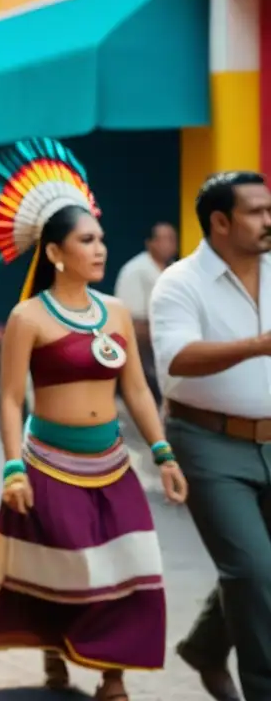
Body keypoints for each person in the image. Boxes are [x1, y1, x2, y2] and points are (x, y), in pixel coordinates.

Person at [0, 138, 189, 700]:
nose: (101, 248)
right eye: (88, 240)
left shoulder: (117, 314)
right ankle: (57, 649)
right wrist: (13, 469)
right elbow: (11, 399)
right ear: (56, 252)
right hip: (49, 466)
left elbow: (135, 389)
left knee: (129, 567)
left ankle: (113, 676)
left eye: (101, 238)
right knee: (66, 569)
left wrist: (164, 453)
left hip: (111, 464)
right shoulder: (26, 318)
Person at [150, 170, 271, 701]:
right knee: (253, 569)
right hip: (207, 443)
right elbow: (175, 360)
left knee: (256, 572)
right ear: (220, 222)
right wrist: (259, 344)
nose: (269, 221)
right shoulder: (179, 281)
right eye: (257, 212)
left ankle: (203, 646)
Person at [114, 222, 177, 404]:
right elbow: (133, 320)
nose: (169, 244)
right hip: (144, 350)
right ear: (150, 243)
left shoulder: (174, 269)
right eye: (163, 239)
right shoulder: (135, 269)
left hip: (170, 347)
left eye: (172, 239)